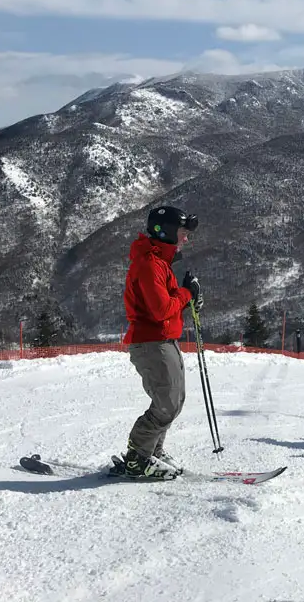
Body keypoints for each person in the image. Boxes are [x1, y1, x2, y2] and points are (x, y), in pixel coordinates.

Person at [119, 205, 204, 479]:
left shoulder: (159, 264)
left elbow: (167, 304)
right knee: (166, 401)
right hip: (151, 342)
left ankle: (153, 451)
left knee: (175, 400)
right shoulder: (149, 265)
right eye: (182, 233)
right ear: (166, 232)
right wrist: (186, 294)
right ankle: (137, 457)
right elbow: (160, 309)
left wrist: (188, 295)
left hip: (164, 340)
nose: (186, 239)